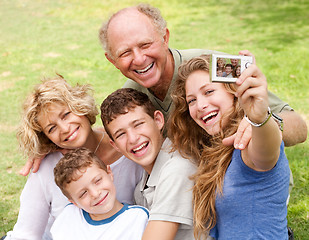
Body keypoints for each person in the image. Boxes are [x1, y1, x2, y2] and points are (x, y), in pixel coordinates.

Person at [98, 3, 307, 147]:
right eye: (125, 53)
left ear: (165, 38)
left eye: (145, 44)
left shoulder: (215, 65)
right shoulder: (129, 98)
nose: (139, 59)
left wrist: (261, 126)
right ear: (112, 61)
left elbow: (298, 127)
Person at [4, 76, 143, 240]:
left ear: (81, 107)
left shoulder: (128, 150)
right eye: (52, 128)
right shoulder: (47, 165)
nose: (64, 129)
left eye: (66, 115)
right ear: (47, 138)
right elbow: (26, 234)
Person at [168, 55, 290, 239]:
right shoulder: (215, 148)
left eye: (208, 91)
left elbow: (266, 152)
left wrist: (260, 119)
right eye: (191, 100)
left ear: (233, 92)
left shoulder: (248, 143)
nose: (200, 105)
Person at [100, 88, 197, 240]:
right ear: (115, 145)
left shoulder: (178, 168)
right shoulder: (141, 188)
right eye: (121, 134)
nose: (132, 138)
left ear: (158, 120)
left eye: (138, 124)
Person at [51, 147, 148, 240]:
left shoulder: (138, 218)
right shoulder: (69, 217)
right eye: (83, 193)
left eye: (97, 181)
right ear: (74, 202)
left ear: (109, 173)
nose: (95, 194)